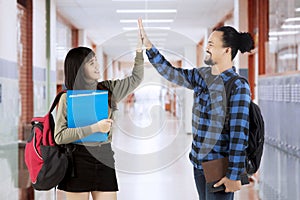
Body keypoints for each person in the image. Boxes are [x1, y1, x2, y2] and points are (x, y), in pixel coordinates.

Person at [138, 19, 253, 200]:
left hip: (219, 166)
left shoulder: (238, 85)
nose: (206, 48)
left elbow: (239, 134)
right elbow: (171, 73)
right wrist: (150, 47)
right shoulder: (202, 76)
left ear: (227, 50)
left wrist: (233, 175)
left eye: (211, 44)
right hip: (199, 163)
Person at [54, 34, 144, 200]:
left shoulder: (108, 89)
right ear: (80, 68)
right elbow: (60, 136)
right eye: (91, 63)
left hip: (104, 158)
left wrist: (139, 52)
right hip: (76, 161)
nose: (97, 66)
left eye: (96, 61)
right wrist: (95, 128)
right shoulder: (67, 98)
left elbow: (136, 79)